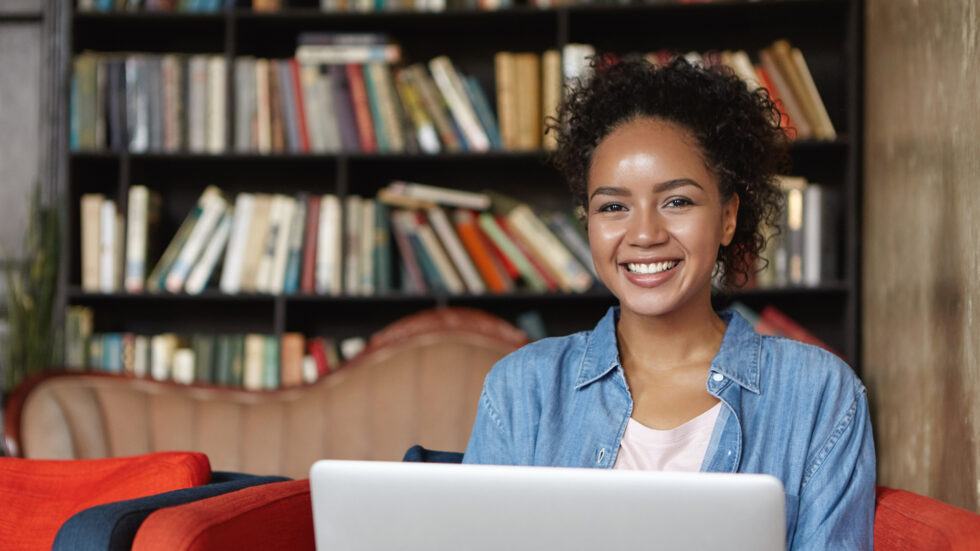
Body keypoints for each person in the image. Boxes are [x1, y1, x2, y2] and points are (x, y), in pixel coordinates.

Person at [463, 56, 875, 550]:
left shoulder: (818, 394)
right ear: (588, 225)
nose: (644, 234)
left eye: (677, 201)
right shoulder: (521, 389)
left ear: (727, 218)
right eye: (613, 207)